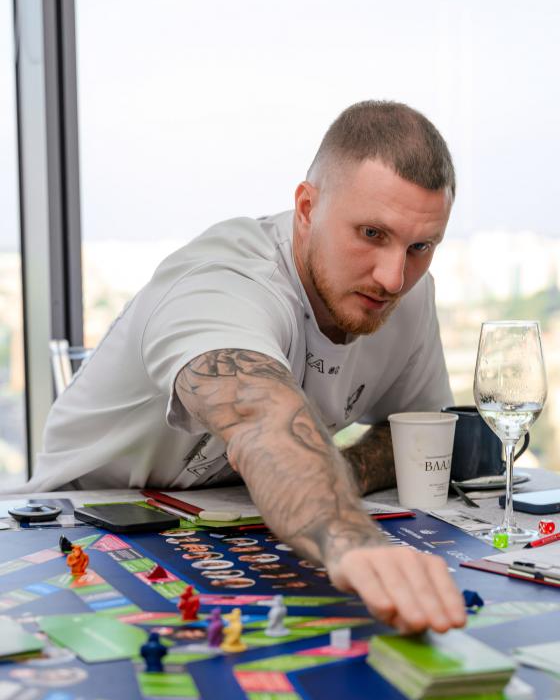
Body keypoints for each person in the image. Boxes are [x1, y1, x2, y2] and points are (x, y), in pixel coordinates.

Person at [20, 100, 467, 635]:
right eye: (371, 233)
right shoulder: (224, 279)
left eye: (420, 246)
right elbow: (262, 417)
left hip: (242, 530)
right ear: (307, 208)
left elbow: (421, 433)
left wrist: (337, 474)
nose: (394, 278)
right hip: (76, 530)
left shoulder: (407, 297)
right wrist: (352, 540)